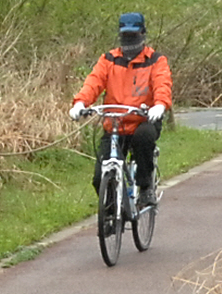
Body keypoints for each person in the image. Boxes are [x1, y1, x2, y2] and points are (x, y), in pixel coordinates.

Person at [68, 13, 173, 207]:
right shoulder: (109, 59)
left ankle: (145, 188)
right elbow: (94, 82)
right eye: (125, 36)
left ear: (143, 34)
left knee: (143, 139)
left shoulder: (155, 60)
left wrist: (159, 105)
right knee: (99, 177)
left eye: (133, 35)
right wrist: (80, 103)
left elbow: (162, 83)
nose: (129, 41)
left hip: (143, 120)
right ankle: (111, 211)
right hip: (115, 123)